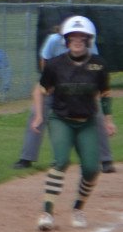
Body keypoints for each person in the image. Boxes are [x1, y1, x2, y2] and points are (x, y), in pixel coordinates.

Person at [31, 16, 116, 231]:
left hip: (87, 121)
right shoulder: (55, 65)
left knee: (91, 168)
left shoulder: (99, 65)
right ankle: (47, 213)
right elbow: (39, 90)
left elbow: (105, 94)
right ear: (66, 41)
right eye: (72, 38)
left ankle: (78, 208)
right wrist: (39, 116)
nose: (77, 41)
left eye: (82, 38)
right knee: (60, 161)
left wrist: (108, 120)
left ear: (88, 40)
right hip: (61, 119)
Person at [15, 22, 115, 172]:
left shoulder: (89, 43)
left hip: (80, 88)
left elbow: (94, 71)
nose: (77, 38)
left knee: (98, 115)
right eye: (71, 33)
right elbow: (45, 61)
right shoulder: (54, 40)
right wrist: (52, 82)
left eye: (80, 34)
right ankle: (26, 158)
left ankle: (106, 160)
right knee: (36, 113)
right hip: (53, 85)